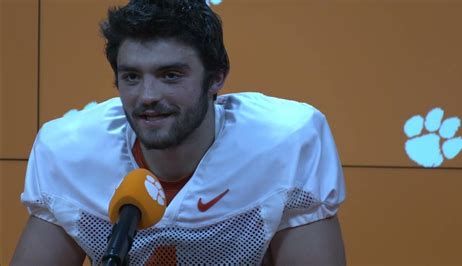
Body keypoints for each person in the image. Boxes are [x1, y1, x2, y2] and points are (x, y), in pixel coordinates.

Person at [12, 0, 346, 265]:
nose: (147, 96)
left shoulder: (284, 141)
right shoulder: (71, 150)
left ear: (216, 77)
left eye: (170, 75)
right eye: (131, 76)